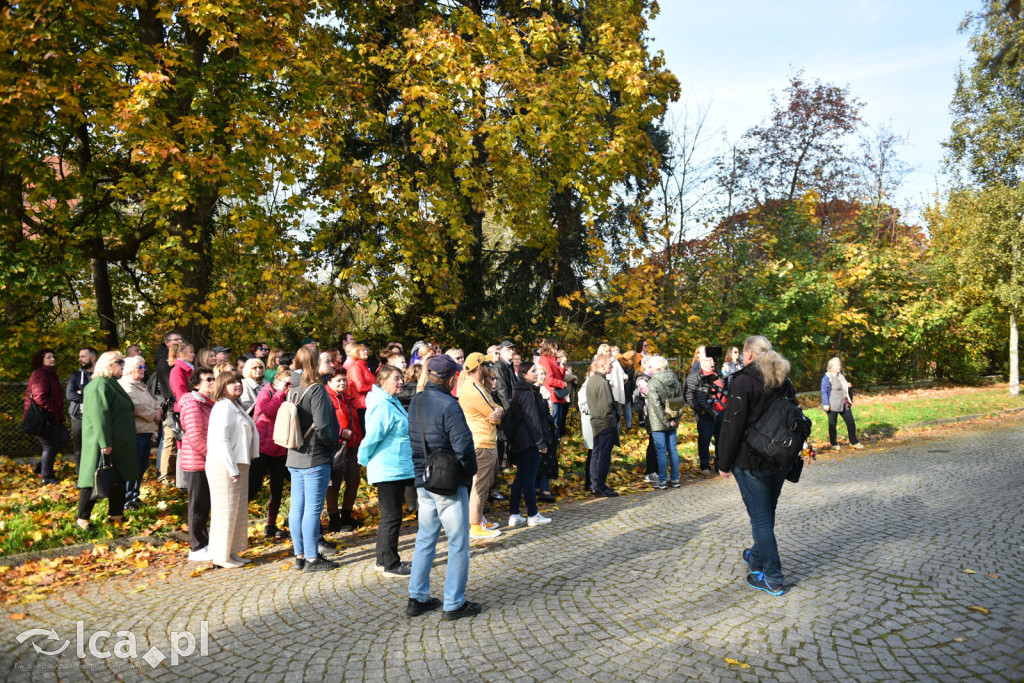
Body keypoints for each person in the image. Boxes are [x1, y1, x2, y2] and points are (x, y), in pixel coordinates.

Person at [717, 335, 795, 596]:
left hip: (751, 462)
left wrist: (723, 463)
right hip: (780, 460)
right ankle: (757, 557)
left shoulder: (743, 381)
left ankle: (772, 577)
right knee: (766, 515)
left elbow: (732, 425)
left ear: (748, 354)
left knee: (761, 519)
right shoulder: (784, 379)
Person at [406, 355, 480, 620]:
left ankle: (417, 597)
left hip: (422, 478)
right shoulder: (450, 405)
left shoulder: (415, 400)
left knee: (425, 538)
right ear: (451, 379)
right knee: (458, 543)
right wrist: (469, 474)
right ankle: (454, 603)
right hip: (448, 482)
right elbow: (463, 447)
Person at [357, 365, 414, 576]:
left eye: (401, 378)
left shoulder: (391, 401)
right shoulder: (382, 405)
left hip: (396, 466)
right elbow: (373, 436)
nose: (401, 382)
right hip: (388, 467)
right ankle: (391, 564)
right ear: (383, 382)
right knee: (392, 516)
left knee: (390, 516)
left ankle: (383, 559)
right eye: (396, 378)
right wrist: (363, 458)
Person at [287, 346, 341, 572]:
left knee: (297, 508)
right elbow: (322, 426)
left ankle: (300, 555)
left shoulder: (294, 388)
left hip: (295, 455)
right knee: (312, 509)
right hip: (314, 455)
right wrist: (333, 445)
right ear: (313, 364)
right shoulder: (316, 389)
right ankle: (312, 558)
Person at [76, 351, 138, 528]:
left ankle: (116, 516)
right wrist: (105, 443)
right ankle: (82, 520)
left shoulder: (111, 384)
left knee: (118, 477)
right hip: (103, 444)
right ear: (108, 364)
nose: (123, 366)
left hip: (117, 442)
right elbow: (99, 416)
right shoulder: (99, 385)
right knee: (93, 479)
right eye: (120, 362)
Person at [206, 369, 259, 569]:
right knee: (225, 510)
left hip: (239, 463)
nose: (237, 384)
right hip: (225, 466)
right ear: (222, 386)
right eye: (231, 382)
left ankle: (231, 551)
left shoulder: (234, 405)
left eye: (238, 381)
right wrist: (232, 468)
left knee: (236, 511)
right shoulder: (223, 407)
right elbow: (222, 440)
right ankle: (221, 556)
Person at [504, 361, 555, 527]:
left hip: (522, 440)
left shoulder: (523, 390)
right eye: (533, 371)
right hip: (528, 441)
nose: (536, 373)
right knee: (529, 477)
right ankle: (533, 514)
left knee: (521, 476)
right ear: (524, 374)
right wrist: (540, 442)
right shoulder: (526, 392)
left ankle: (515, 514)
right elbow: (532, 420)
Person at [459, 352, 503, 540]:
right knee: (480, 485)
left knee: (483, 483)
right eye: (486, 365)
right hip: (482, 442)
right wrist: (498, 412)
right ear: (479, 368)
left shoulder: (476, 385)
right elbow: (495, 413)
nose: (489, 368)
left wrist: (498, 411)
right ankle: (475, 525)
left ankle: (479, 519)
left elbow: (497, 409)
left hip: (483, 440)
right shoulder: (474, 389)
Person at [179, 368, 216, 560]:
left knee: (205, 504)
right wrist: (213, 456)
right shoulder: (193, 403)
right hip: (197, 461)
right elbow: (195, 436)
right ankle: (196, 547)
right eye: (208, 379)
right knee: (198, 506)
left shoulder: (207, 403)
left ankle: (204, 542)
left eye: (213, 379)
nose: (212, 382)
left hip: (205, 460)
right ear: (196, 384)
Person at [251, 367, 292, 537]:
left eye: (291, 383)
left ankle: (270, 525)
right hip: (262, 447)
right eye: (286, 383)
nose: (289, 386)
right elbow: (268, 410)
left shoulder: (288, 394)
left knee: (277, 488)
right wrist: (280, 393)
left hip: (280, 447)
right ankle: (236, 526)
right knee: (253, 487)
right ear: (277, 381)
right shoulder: (266, 392)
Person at [119, 355, 161, 510]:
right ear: (129, 369)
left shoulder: (141, 385)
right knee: (133, 468)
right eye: (140, 367)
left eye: (144, 367)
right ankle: (128, 499)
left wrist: (157, 410)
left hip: (146, 431)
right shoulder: (126, 385)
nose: (143, 370)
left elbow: (153, 402)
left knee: (141, 467)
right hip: (136, 433)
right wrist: (153, 414)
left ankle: (134, 496)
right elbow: (136, 407)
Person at [325, 369, 363, 533]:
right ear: (329, 382)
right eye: (338, 380)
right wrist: (340, 434)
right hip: (336, 447)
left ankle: (346, 515)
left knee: (354, 480)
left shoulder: (346, 397)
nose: (342, 383)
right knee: (334, 484)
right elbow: (325, 423)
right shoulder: (327, 398)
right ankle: (334, 519)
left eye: (344, 380)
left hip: (352, 445)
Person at [25, 348, 65, 484]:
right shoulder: (41, 374)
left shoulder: (50, 373)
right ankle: (47, 477)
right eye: (48, 357)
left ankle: (42, 466)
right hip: (44, 417)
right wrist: (54, 410)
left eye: (53, 356)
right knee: (49, 446)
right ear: (41, 360)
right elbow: (39, 396)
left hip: (52, 415)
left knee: (63, 438)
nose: (52, 359)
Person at [685, 349, 726, 474]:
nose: (712, 361)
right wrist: (699, 410)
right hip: (706, 413)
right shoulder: (694, 376)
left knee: (721, 440)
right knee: (704, 441)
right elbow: (688, 395)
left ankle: (719, 465)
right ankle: (705, 466)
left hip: (722, 412)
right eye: (709, 359)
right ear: (701, 360)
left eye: (712, 359)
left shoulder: (718, 373)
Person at [646, 355, 682, 488]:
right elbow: (679, 401)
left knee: (661, 452)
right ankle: (675, 478)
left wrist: (666, 422)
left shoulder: (653, 382)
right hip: (672, 420)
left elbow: (656, 406)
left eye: (650, 366)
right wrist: (674, 420)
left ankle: (662, 479)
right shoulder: (674, 379)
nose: (648, 369)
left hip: (658, 422)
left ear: (657, 367)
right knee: (673, 450)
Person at [585, 354, 618, 497]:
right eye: (610, 364)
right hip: (605, 423)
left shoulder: (592, 380)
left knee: (596, 454)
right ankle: (600, 486)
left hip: (596, 422)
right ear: (602, 365)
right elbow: (607, 406)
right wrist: (613, 421)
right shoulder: (602, 382)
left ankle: (595, 484)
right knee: (603, 455)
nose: (611, 366)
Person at [822, 357, 864, 452]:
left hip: (844, 403)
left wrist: (848, 386)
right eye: (837, 365)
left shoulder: (841, 375)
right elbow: (824, 391)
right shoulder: (827, 377)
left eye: (839, 365)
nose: (839, 367)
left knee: (851, 422)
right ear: (831, 367)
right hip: (832, 404)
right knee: (832, 424)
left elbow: (844, 386)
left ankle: (854, 441)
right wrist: (825, 403)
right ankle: (834, 443)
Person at [66, 347, 97, 467]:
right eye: (80, 357)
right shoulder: (76, 376)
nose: (80, 359)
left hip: (97, 417)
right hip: (78, 417)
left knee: (98, 447)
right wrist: (90, 398)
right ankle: (81, 479)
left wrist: (81, 393)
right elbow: (70, 395)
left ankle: (97, 476)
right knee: (79, 449)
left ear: (92, 358)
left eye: (83, 356)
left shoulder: (101, 376)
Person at [345, 343, 375, 432]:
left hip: (367, 403)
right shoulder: (355, 366)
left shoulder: (363, 365)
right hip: (361, 405)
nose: (366, 351)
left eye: (366, 349)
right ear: (356, 352)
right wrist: (376, 388)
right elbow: (360, 387)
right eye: (363, 350)